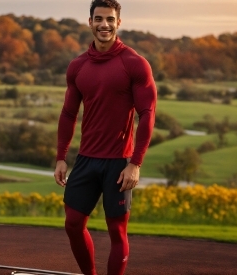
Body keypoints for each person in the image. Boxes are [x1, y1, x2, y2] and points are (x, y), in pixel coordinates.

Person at [53, 0, 157, 274]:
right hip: (86, 159)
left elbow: (147, 114)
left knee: (117, 231)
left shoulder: (135, 64)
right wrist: (61, 157)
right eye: (98, 19)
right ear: (90, 22)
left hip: (120, 163)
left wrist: (136, 163)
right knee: (73, 224)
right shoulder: (77, 66)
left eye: (110, 19)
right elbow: (67, 114)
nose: (104, 25)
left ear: (118, 23)